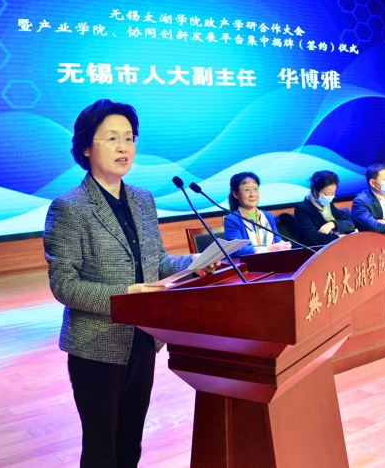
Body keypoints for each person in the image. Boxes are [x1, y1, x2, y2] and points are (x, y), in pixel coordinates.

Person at [43, 99, 216, 468]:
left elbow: (158, 264)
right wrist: (125, 296)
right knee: (101, 449)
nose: (124, 147)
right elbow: (64, 285)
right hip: (96, 345)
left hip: (144, 337)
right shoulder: (69, 207)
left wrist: (197, 263)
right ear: (86, 147)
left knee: (130, 444)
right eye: (112, 138)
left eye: (129, 138)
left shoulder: (142, 199)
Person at [223, 172, 291, 257]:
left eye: (255, 189)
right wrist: (269, 248)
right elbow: (237, 249)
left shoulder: (267, 215)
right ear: (236, 194)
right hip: (247, 263)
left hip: (272, 260)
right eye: (247, 190)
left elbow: (277, 239)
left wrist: (283, 245)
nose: (252, 194)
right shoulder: (232, 219)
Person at [294, 170, 355, 246]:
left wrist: (332, 224)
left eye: (333, 193)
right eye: (326, 194)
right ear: (315, 191)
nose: (330, 197)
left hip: (336, 245)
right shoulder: (302, 209)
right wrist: (339, 237)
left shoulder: (328, 204)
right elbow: (313, 238)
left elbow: (350, 224)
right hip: (318, 249)